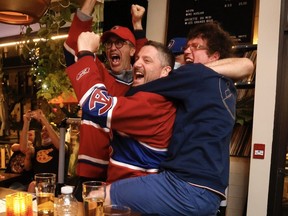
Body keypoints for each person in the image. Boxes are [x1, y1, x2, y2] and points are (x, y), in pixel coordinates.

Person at [75, 21, 251, 215]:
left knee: (96, 197)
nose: (187, 52)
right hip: (210, 192)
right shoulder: (221, 85)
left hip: (185, 186)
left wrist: (84, 53)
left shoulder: (191, 77)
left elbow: (98, 106)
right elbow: (246, 64)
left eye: (196, 47)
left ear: (215, 57)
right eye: (186, 47)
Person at [67, 33, 177, 182]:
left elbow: (97, 106)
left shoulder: (153, 103)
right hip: (125, 190)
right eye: (137, 58)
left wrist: (86, 53)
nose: (137, 63)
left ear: (165, 71)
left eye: (147, 60)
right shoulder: (150, 97)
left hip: (130, 197)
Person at [64, 0, 141, 200]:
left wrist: (138, 26)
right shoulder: (97, 74)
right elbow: (73, 48)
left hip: (125, 175)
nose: (112, 48)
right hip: (90, 174)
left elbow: (150, 58)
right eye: (108, 44)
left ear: (133, 51)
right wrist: (90, 3)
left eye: (119, 43)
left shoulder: (141, 87)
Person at [19, 109, 67, 193]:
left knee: (33, 185)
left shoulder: (61, 146)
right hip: (37, 184)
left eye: (47, 131)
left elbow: (61, 146)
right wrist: (26, 122)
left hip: (54, 185)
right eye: (42, 131)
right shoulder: (37, 148)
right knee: (32, 185)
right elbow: (23, 148)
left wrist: (43, 119)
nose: (44, 133)